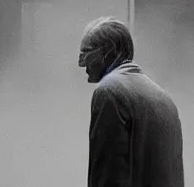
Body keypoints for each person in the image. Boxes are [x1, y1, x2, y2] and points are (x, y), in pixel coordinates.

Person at [78, 17, 184, 187]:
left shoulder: (109, 92)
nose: (80, 63)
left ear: (108, 50)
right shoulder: (164, 99)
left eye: (86, 52)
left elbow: (107, 174)